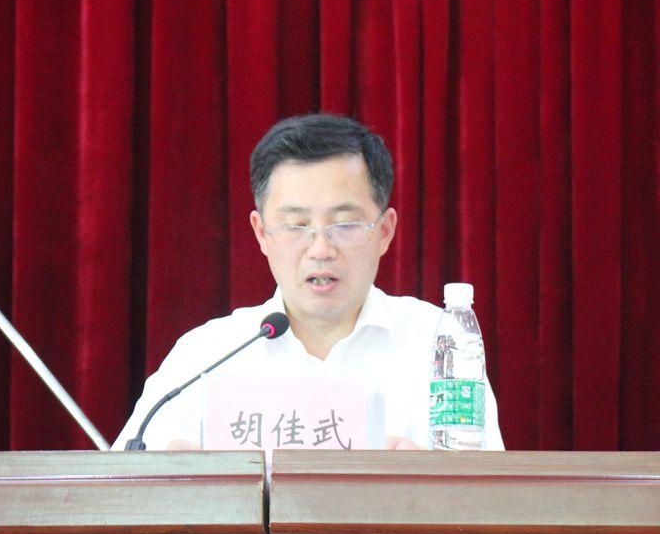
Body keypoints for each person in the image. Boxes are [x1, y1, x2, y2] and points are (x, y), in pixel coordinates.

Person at [114, 114, 504, 451]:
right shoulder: (205, 355)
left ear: (385, 231)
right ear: (262, 233)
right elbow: (119, 491)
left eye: (345, 224)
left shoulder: (439, 343)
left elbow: (491, 498)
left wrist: (427, 488)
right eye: (296, 225)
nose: (320, 249)